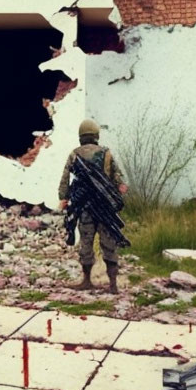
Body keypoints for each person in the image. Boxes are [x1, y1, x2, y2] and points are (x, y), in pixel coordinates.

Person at [58, 118, 128, 293]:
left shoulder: (75, 154)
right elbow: (118, 178)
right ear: (96, 135)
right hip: (104, 207)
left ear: (81, 136)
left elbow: (65, 179)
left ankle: (87, 280)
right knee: (109, 243)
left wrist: (63, 198)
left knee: (86, 242)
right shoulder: (106, 153)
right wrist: (118, 192)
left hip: (85, 207)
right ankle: (113, 284)